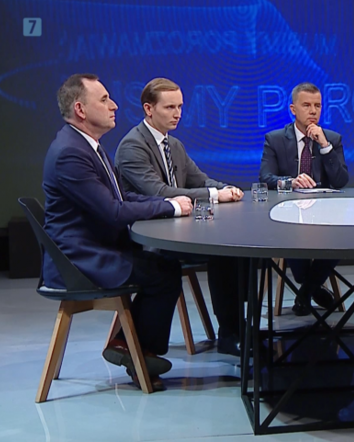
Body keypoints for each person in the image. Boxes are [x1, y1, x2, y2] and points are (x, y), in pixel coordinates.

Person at [42, 73, 193, 391]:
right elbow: (112, 213)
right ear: (81, 110)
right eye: (104, 100)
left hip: (95, 247)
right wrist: (171, 207)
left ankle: (130, 346)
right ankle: (139, 353)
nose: (114, 106)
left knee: (164, 264)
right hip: (79, 260)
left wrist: (166, 203)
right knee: (163, 272)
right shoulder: (71, 153)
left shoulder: (87, 146)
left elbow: (121, 199)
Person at [115, 78, 245, 356]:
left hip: (181, 229)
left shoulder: (173, 144)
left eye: (180, 107)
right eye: (170, 107)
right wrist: (214, 195)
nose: (178, 114)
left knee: (235, 249)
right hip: (151, 238)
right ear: (148, 109)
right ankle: (231, 333)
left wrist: (226, 188)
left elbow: (200, 179)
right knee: (225, 253)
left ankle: (237, 329)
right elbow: (160, 192)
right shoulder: (132, 146)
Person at [259, 82, 348, 316]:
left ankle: (306, 292)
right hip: (288, 215)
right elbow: (265, 177)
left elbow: (340, 181)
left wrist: (325, 146)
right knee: (292, 238)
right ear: (293, 109)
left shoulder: (332, 139)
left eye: (317, 106)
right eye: (307, 105)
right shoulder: (275, 139)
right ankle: (312, 289)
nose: (313, 111)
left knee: (339, 238)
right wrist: (291, 182)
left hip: (324, 217)